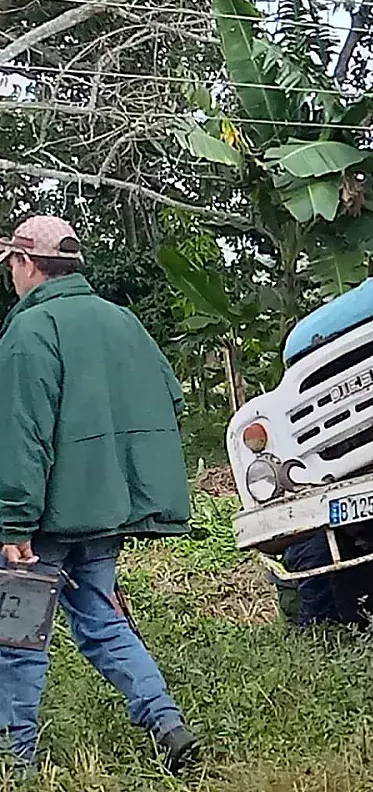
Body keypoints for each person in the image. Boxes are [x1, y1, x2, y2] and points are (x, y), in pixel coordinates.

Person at [0, 216, 199, 772]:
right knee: (103, 620)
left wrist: (14, 524)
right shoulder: (124, 322)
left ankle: (14, 764)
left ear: (25, 264)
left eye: (11, 264)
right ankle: (166, 721)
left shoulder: (30, 332)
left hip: (42, 525)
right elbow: (171, 400)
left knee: (16, 639)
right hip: (104, 516)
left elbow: (22, 437)